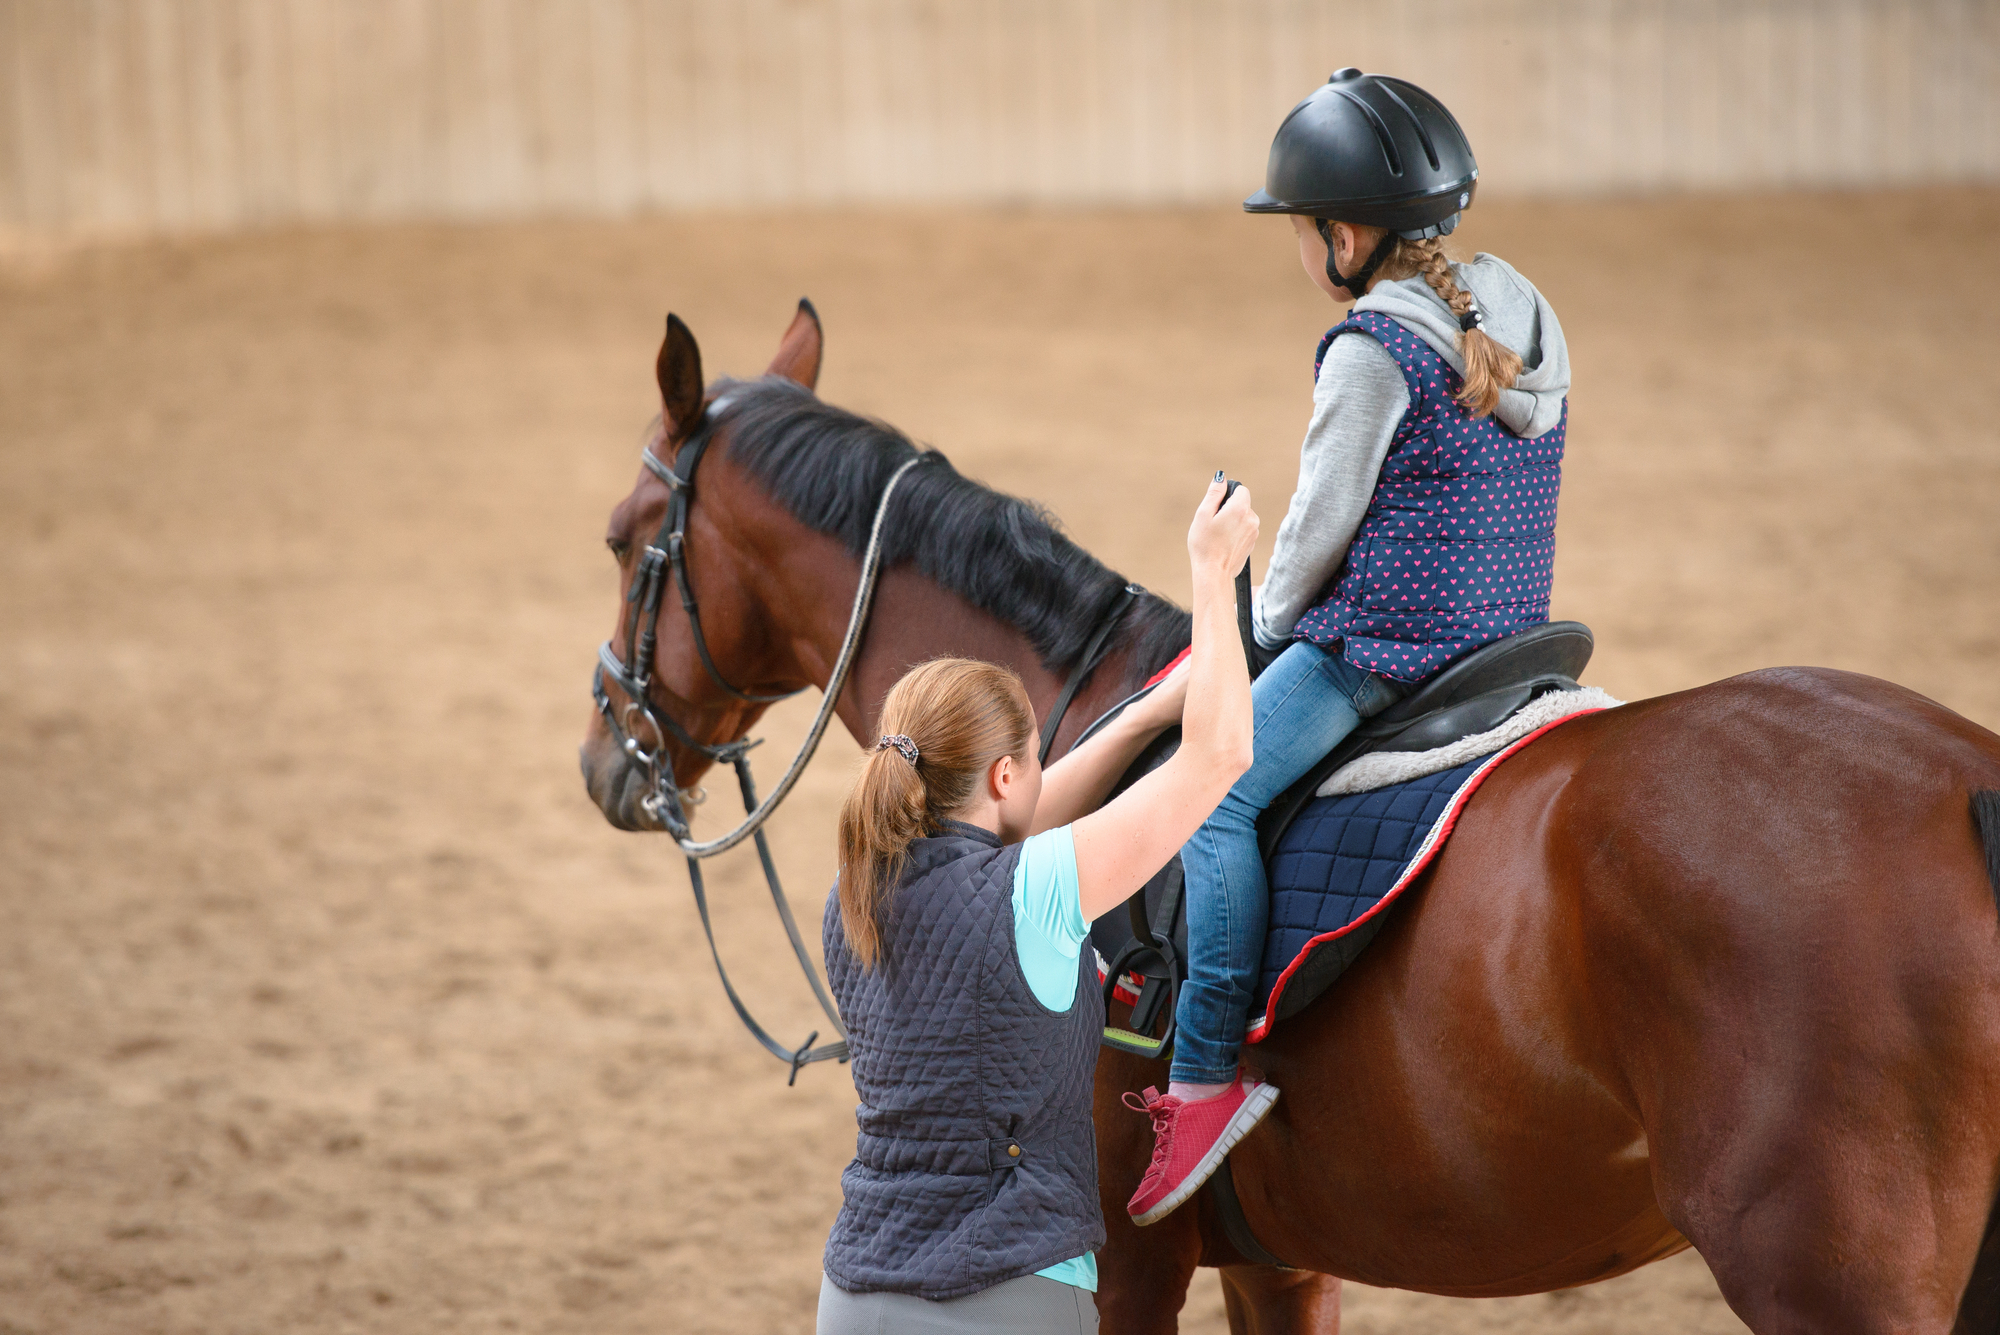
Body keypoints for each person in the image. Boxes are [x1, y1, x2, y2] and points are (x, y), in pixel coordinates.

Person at [1122, 69, 1572, 1226]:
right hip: (1510, 635)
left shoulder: (1370, 347)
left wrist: (1250, 631)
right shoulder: (1521, 311)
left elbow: (1316, 530)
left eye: (1302, 231)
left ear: (1340, 234)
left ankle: (1203, 1074)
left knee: (1209, 795)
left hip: (1386, 649)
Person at [815, 475, 1259, 1334]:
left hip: (854, 1295)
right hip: (1008, 1296)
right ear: (1005, 777)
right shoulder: (1037, 889)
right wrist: (1213, 576)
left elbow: (1011, 824)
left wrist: (1135, 720)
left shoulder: (855, 891)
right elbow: (1220, 756)